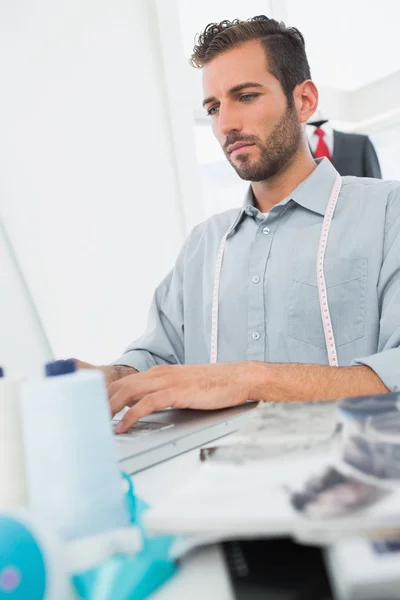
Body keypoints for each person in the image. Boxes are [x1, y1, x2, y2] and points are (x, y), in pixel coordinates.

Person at [76, 16, 400, 433]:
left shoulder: (388, 212)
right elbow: (160, 356)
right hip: (216, 482)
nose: (225, 124)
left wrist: (248, 379)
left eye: (245, 97)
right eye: (213, 108)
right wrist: (114, 378)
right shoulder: (203, 245)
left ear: (304, 101)